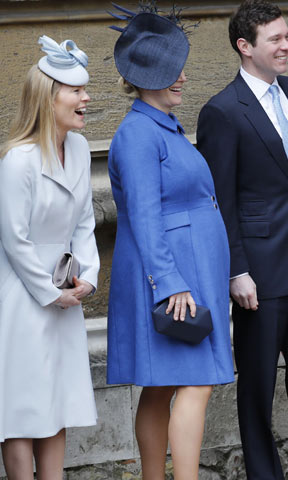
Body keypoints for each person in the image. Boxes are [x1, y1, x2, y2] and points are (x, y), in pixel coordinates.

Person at [196, 1, 288, 478]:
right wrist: (237, 270)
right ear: (245, 46)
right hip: (259, 272)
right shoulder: (221, 111)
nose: (287, 46)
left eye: (287, 36)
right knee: (257, 391)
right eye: (275, 39)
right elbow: (220, 201)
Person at [105, 8, 234, 480]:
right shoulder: (138, 134)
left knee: (164, 386)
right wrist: (171, 283)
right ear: (144, 79)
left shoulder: (164, 126)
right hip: (172, 275)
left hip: (190, 271)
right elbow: (143, 216)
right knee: (195, 384)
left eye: (180, 66)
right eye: (169, 72)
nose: (181, 77)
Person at [0, 35, 99, 480]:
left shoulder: (78, 148)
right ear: (49, 97)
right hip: (21, 297)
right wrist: (48, 293)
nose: (86, 98)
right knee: (22, 404)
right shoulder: (17, 161)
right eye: (76, 91)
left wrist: (88, 279)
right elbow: (13, 239)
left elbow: (83, 226)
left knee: (57, 399)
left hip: (64, 292)